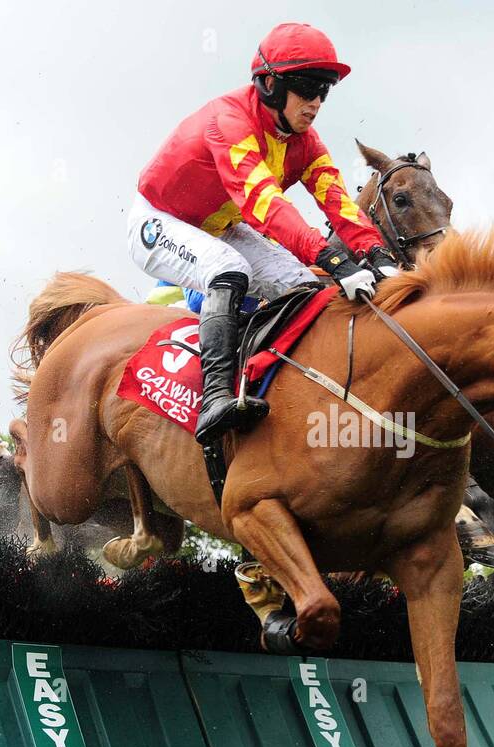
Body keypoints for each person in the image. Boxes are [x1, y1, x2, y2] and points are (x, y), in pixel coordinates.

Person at [129, 22, 399, 445]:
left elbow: (339, 204)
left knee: (305, 287)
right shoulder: (228, 121)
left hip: (221, 227)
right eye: (308, 89)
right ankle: (215, 396)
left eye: (324, 92)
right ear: (270, 84)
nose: (316, 104)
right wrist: (332, 258)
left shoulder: (306, 143)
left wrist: (378, 256)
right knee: (229, 269)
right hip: (159, 222)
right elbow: (263, 203)